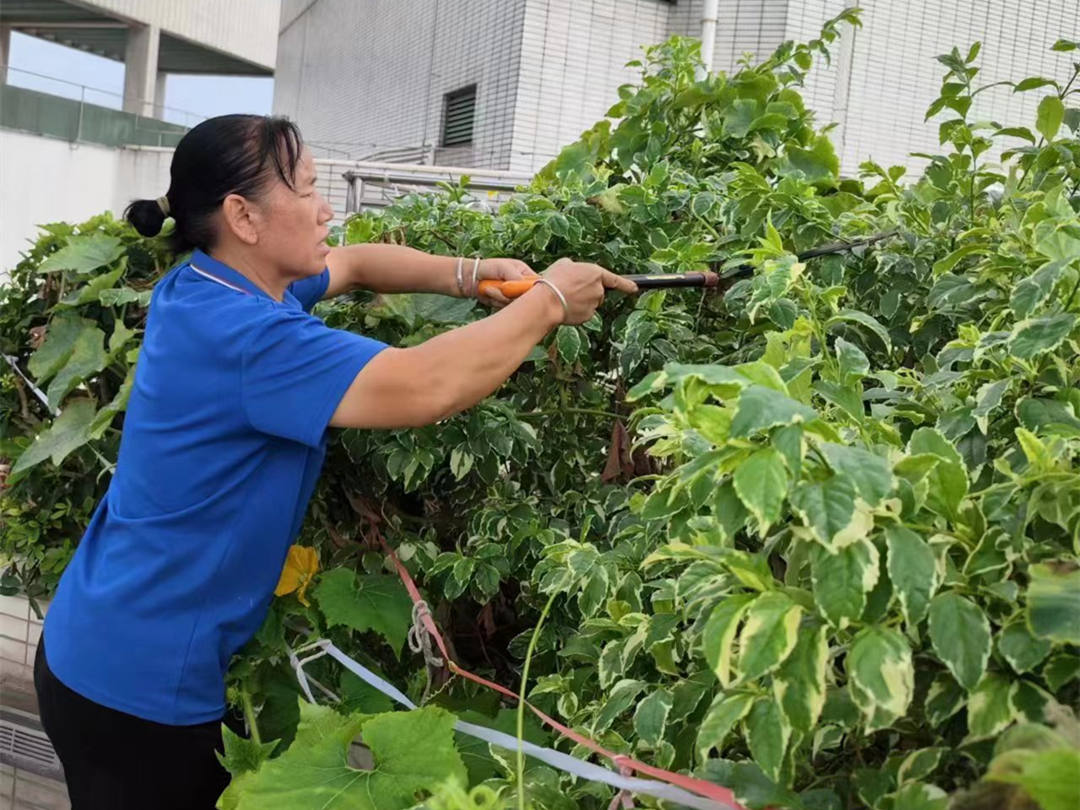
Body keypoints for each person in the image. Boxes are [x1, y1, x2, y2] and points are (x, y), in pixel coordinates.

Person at [33, 113, 636, 809]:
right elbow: (425, 386)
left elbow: (350, 265)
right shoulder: (250, 338)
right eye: (311, 190)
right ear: (243, 216)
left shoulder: (210, 284)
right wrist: (550, 303)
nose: (329, 210)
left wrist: (474, 278)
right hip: (135, 696)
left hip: (97, 642)